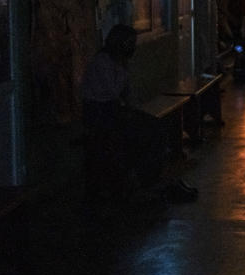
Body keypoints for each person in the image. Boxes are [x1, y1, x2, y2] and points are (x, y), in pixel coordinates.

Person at [80, 25, 196, 204]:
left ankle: (157, 179)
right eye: (128, 43)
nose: (131, 47)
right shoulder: (103, 62)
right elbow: (112, 92)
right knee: (143, 133)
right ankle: (147, 181)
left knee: (154, 127)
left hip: (113, 110)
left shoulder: (120, 62)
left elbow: (126, 94)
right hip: (99, 112)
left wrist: (132, 109)